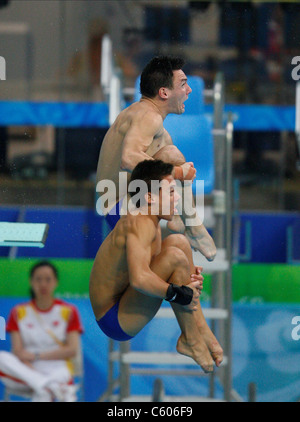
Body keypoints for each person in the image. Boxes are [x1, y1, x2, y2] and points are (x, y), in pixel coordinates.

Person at [90, 160, 223, 373]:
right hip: (114, 317)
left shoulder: (150, 218)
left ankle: (200, 330)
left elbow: (151, 267)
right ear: (150, 197)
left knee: (179, 242)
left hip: (124, 297)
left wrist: (186, 277)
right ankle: (191, 338)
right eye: (171, 192)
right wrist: (178, 293)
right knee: (175, 257)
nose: (177, 197)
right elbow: (140, 279)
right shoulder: (140, 223)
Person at [96, 55, 217, 262]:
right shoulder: (148, 116)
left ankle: (186, 222)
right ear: (164, 92)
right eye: (183, 84)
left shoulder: (146, 119)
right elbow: (128, 158)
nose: (189, 91)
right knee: (174, 260)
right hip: (119, 209)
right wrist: (177, 173)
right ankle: (193, 227)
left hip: (120, 203)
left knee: (171, 153)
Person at [0, 261, 83, 402]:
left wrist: (36, 355)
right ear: (31, 282)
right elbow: (18, 352)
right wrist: (32, 370)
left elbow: (71, 350)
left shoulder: (69, 311)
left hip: (57, 368)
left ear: (55, 282)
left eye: (48, 279)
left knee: (43, 393)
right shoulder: (18, 312)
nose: (43, 284)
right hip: (27, 370)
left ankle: (45, 387)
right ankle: (48, 385)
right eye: (38, 279)